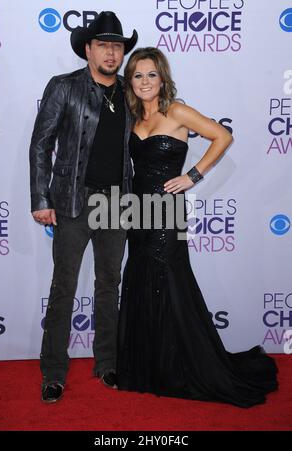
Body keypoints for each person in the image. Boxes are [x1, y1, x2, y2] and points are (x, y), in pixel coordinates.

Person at [116, 47, 278, 408]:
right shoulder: (132, 118)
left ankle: (181, 368)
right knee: (141, 279)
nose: (144, 82)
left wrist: (192, 176)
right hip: (138, 211)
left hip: (168, 213)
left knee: (171, 281)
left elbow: (222, 136)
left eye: (151, 75)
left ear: (162, 78)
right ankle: (149, 367)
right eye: (138, 75)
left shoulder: (176, 111)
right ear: (131, 81)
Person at [29, 11, 138, 403]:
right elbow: (41, 145)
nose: (112, 53)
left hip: (117, 202)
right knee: (64, 287)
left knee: (110, 285)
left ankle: (107, 363)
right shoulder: (64, 87)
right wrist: (41, 200)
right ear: (88, 49)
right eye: (104, 45)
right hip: (73, 200)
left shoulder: (130, 90)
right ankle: (54, 372)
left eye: (118, 46)